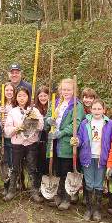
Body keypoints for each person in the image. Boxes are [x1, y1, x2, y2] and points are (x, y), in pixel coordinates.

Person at [72, 99, 112, 221]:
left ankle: (97, 210)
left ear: (104, 110)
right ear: (90, 110)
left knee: (98, 184)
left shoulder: (110, 124)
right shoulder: (85, 123)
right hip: (88, 157)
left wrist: (111, 161)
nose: (97, 111)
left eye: (99, 109)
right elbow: (80, 139)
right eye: (94, 109)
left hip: (102, 159)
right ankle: (88, 209)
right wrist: (77, 141)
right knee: (89, 183)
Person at [45, 78, 85, 210]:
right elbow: (47, 117)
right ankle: (58, 196)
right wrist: (48, 120)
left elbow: (76, 124)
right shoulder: (56, 102)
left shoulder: (77, 105)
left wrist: (61, 133)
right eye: (63, 89)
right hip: (53, 141)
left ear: (74, 90)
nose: (65, 92)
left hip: (66, 143)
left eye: (68, 89)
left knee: (66, 171)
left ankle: (66, 199)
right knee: (56, 169)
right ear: (60, 90)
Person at [3, 87, 44, 202]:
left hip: (31, 144)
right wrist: (17, 128)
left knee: (32, 168)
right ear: (16, 97)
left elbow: (41, 126)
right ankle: (11, 191)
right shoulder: (13, 111)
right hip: (17, 143)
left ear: (28, 97)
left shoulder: (34, 110)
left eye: (24, 96)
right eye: (19, 96)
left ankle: (34, 191)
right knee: (15, 168)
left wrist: (35, 120)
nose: (22, 98)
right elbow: (7, 130)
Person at [0, 82, 15, 195]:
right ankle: (6, 186)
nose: (9, 92)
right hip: (3, 138)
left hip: (13, 138)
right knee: (4, 162)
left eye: (11, 90)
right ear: (3, 92)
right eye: (7, 90)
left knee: (13, 162)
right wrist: (0, 120)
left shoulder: (16, 104)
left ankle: (13, 186)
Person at [33, 85, 50, 203]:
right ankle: (38, 187)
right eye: (41, 96)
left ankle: (48, 189)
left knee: (48, 164)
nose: (43, 98)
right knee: (38, 164)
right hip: (37, 140)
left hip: (49, 139)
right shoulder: (34, 109)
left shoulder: (52, 108)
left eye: (45, 95)